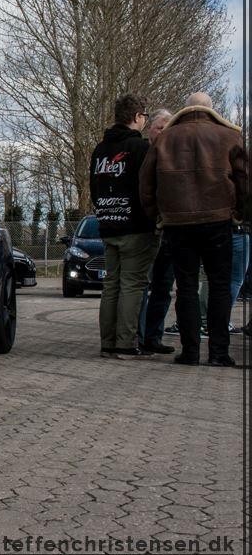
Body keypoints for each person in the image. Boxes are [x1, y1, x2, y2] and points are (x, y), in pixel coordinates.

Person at [140, 92, 248, 367]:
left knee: (185, 287)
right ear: (211, 110)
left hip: (178, 223)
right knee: (220, 287)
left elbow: (146, 183)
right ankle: (219, 353)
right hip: (218, 220)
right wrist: (239, 215)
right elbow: (245, 180)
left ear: (185, 110)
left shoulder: (165, 138)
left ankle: (190, 352)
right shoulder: (229, 137)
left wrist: (158, 217)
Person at [89, 93, 158, 360]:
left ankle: (108, 343)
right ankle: (125, 344)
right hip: (135, 227)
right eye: (145, 117)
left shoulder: (99, 150)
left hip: (107, 224)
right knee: (132, 285)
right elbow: (149, 188)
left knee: (111, 285)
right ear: (138, 117)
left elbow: (95, 189)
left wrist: (105, 211)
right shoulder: (140, 148)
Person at [137, 108, 176, 354]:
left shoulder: (174, 155)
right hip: (145, 230)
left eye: (167, 128)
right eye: (159, 127)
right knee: (142, 285)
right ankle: (139, 335)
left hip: (169, 232)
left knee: (164, 287)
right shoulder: (140, 152)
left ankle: (154, 336)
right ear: (150, 128)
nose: (163, 132)